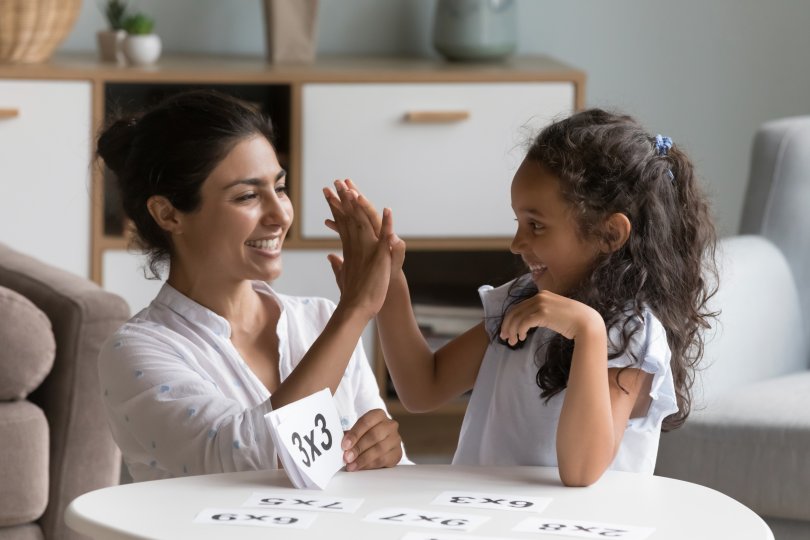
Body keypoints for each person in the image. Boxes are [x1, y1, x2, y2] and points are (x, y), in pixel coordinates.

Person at [325, 108, 718, 487]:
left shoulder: (629, 333)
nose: (516, 243)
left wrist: (588, 331)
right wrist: (390, 283)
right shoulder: (523, 301)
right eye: (518, 222)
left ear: (610, 235)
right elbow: (422, 387)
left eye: (536, 225)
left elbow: (580, 470)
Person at [96, 90, 406, 482]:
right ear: (168, 213)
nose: (280, 215)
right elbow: (252, 456)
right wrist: (355, 310)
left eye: (279, 187)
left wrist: (386, 454)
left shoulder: (320, 318)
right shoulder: (136, 352)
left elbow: (382, 475)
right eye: (247, 196)